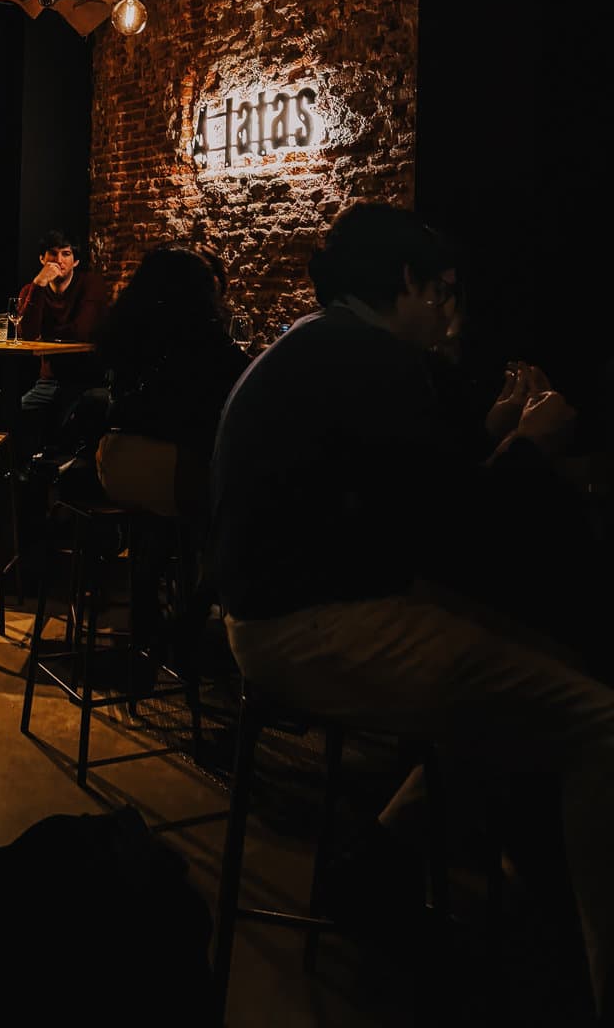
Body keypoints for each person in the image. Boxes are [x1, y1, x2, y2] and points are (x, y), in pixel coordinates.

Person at [211, 202, 614, 1019]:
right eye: (445, 293)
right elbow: (455, 534)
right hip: (304, 627)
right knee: (598, 720)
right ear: (407, 284)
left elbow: (408, 498)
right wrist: (532, 446)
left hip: (273, 612)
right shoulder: (372, 358)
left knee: (541, 669)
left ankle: (378, 858)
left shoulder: (323, 343)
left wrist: (493, 435)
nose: (453, 315)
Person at [95, 243, 247, 530]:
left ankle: (153, 565)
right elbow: (241, 376)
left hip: (113, 464)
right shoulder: (201, 338)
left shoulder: (126, 329)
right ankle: (202, 570)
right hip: (175, 472)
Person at [14, 228, 107, 449]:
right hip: (48, 382)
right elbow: (26, 334)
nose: (58, 261)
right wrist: (39, 285)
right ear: (41, 258)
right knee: (13, 416)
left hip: (83, 380)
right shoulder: (32, 289)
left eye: (65, 254)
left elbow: (82, 332)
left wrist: (46, 336)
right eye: (53, 254)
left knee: (67, 425)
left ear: (75, 261)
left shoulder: (90, 285)